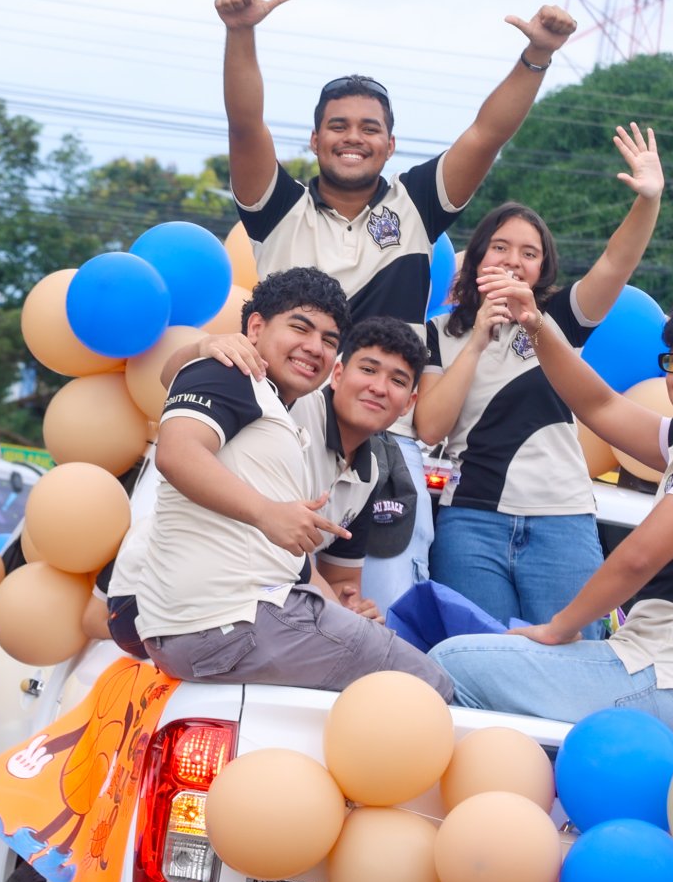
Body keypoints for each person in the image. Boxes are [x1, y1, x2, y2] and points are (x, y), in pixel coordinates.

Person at [214, 0, 577, 612]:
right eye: (337, 126)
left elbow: (486, 134)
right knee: (255, 599)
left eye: (369, 128)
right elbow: (245, 126)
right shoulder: (276, 208)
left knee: (377, 616)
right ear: (315, 140)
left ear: (389, 143)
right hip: (281, 428)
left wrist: (537, 56)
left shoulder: (415, 205)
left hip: (386, 445)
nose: (352, 137)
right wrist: (240, 32)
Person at [430, 292, 673, 738]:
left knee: (451, 663)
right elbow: (600, 405)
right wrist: (536, 324)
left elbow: (638, 557)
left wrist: (559, 628)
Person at [123, 267, 453, 699]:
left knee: (387, 673)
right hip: (212, 615)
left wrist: (349, 611)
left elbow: (334, 580)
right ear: (256, 328)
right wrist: (203, 346)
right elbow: (176, 450)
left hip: (229, 617)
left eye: (329, 340)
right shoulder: (240, 373)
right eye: (300, 327)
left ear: (410, 401)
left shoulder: (312, 432)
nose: (314, 346)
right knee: (429, 685)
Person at [413, 123, 664, 633]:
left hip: (562, 519)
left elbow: (617, 261)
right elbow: (431, 427)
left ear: (543, 268)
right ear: (477, 258)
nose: (513, 261)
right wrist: (478, 339)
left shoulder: (562, 319)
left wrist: (648, 199)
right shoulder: (438, 333)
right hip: (471, 521)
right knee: (476, 655)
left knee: (573, 653)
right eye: (500, 248)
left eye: (529, 253)